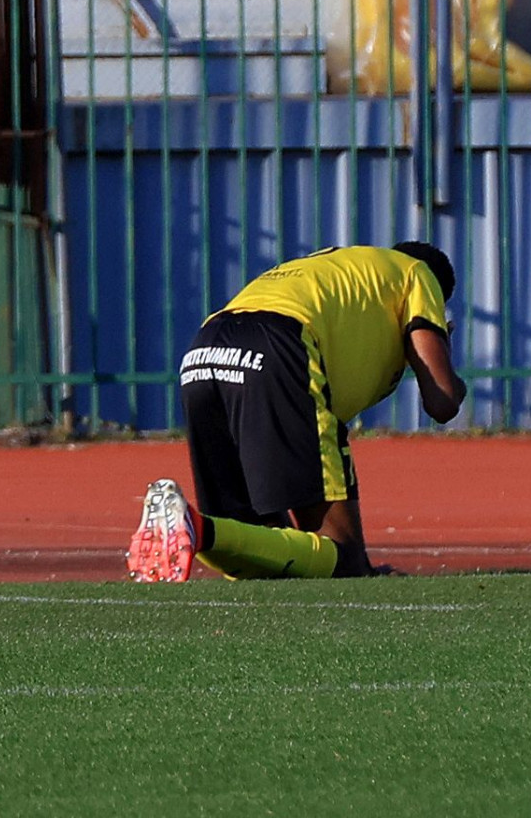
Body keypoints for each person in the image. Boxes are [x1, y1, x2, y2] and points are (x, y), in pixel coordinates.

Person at [125, 242, 466, 582]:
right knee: (345, 558)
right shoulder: (416, 272)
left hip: (205, 350)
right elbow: (442, 400)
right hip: (279, 343)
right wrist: (442, 345)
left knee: (257, 549)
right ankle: (197, 527)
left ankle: (193, 526)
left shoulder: (347, 267)